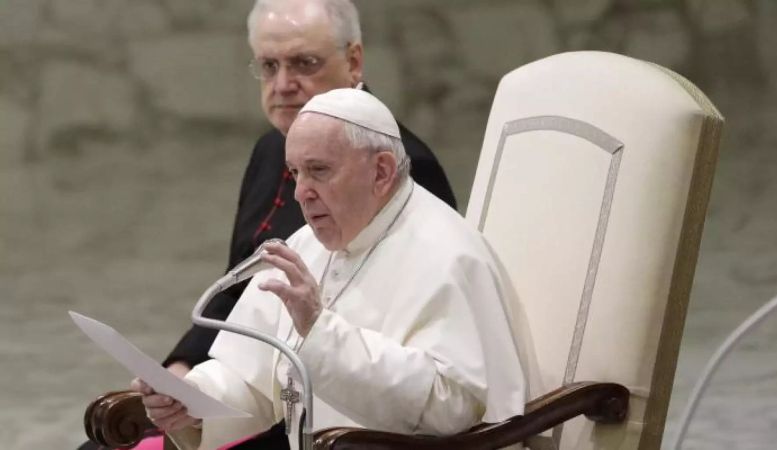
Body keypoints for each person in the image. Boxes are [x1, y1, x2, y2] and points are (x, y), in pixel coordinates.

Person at [78, 1, 455, 449]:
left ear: (354, 61)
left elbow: (392, 344)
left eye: (304, 63)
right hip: (256, 382)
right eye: (268, 66)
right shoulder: (269, 150)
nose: (283, 85)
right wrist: (182, 375)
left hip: (327, 412)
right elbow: (238, 290)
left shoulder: (401, 171)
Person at [135, 88, 526, 450]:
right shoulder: (307, 245)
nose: (300, 192)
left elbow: (452, 407)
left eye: (318, 170)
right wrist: (190, 400)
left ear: (382, 171)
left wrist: (320, 331)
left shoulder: (450, 256)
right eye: (295, 173)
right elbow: (249, 379)